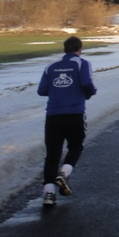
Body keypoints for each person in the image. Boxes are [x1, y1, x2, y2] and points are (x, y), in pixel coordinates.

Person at [37, 35, 97, 207]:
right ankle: (64, 174)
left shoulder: (51, 66)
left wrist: (58, 92)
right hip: (74, 113)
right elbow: (86, 82)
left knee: (52, 155)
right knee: (76, 146)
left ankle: (48, 194)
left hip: (53, 115)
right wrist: (89, 92)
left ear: (64, 49)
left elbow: (42, 91)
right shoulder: (82, 63)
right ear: (80, 49)